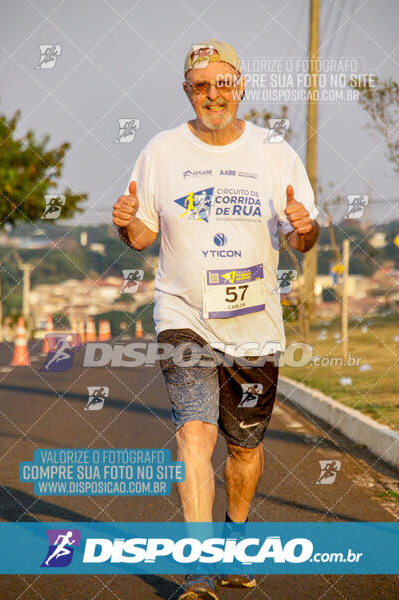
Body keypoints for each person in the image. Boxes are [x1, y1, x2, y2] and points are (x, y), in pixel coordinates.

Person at [113, 39, 320, 600]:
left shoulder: (274, 153)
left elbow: (302, 237)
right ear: (187, 90)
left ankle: (235, 538)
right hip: (184, 315)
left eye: (222, 82)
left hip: (254, 324)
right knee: (196, 434)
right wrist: (126, 224)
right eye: (201, 85)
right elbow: (143, 237)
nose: (213, 94)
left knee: (245, 447)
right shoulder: (160, 151)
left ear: (241, 85)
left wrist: (303, 227)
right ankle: (200, 571)